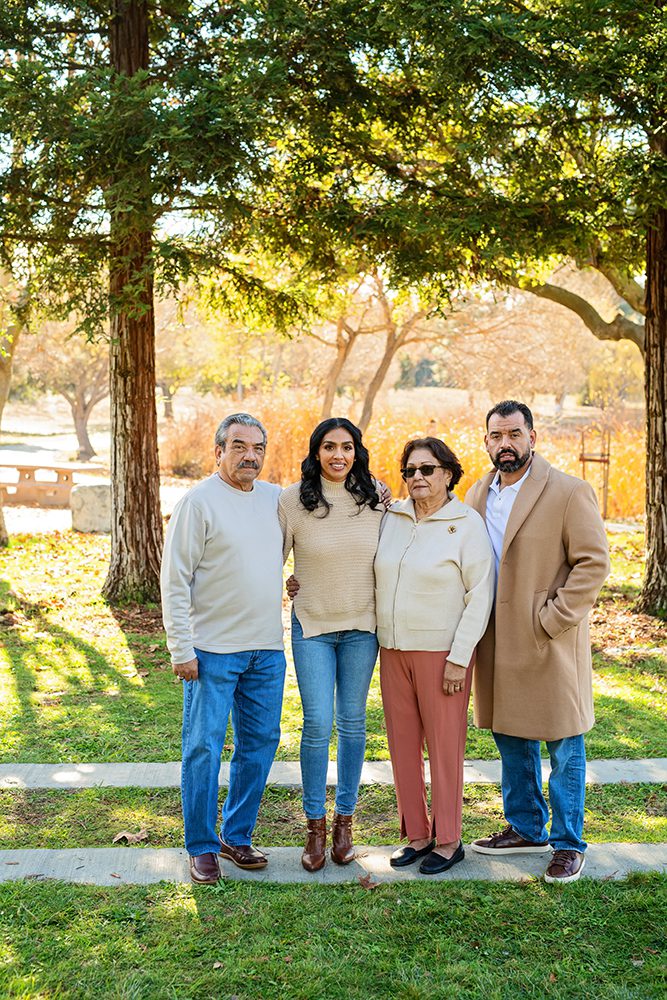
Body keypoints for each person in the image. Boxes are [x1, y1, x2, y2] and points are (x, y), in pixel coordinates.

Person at [466, 400, 610, 884]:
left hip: (547, 640)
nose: (504, 444)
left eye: (513, 434)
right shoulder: (478, 493)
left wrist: (552, 618)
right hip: (496, 641)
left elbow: (593, 563)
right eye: (495, 436)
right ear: (486, 442)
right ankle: (526, 827)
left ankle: (569, 843)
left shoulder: (569, 491)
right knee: (510, 735)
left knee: (564, 743)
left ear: (533, 436)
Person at [161, 413, 286, 884]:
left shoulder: (277, 499)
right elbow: (175, 581)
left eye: (257, 447)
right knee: (203, 749)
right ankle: (201, 845)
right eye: (238, 446)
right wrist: (181, 648)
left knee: (259, 745)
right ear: (218, 452)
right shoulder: (198, 503)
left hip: (266, 652)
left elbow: (325, 508)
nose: (249, 455)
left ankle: (237, 835)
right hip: (212, 651)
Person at [375, 437, 495, 875]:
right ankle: (418, 835)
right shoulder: (393, 516)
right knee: (403, 747)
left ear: (448, 473)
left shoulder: (466, 523)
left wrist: (460, 658)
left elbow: (480, 595)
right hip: (393, 651)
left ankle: (448, 840)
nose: (417, 478)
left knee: (445, 748)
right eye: (409, 471)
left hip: (443, 653)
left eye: (427, 469)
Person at [279, 418, 384, 871]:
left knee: (354, 722)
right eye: (328, 447)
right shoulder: (293, 501)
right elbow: (271, 559)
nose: (338, 455)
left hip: (363, 626)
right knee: (318, 724)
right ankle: (315, 827)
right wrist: (286, 581)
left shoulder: (378, 498)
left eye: (346, 447)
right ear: (316, 452)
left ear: (357, 451)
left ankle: (345, 821)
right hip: (313, 626)